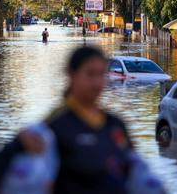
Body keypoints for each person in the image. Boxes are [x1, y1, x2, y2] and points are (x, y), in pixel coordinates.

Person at [46, 46, 165, 194]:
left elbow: (134, 172)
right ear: (71, 74)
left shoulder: (115, 125)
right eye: (90, 74)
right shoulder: (52, 128)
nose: (97, 83)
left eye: (101, 74)